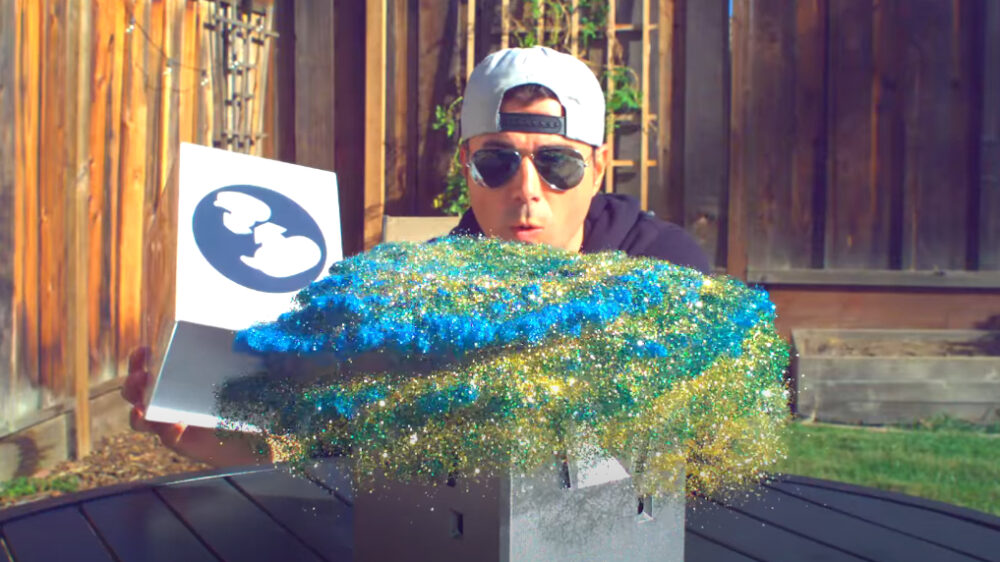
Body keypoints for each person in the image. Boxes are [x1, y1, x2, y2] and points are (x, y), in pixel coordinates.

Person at [122, 46, 710, 466]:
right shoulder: (419, 294)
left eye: (558, 163)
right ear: (466, 168)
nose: (527, 190)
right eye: (498, 163)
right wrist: (205, 434)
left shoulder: (663, 268)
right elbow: (340, 442)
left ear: (598, 169)